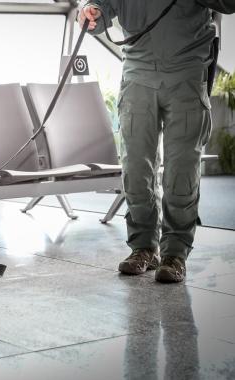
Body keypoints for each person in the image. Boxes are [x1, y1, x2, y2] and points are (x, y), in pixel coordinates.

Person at [79, 0, 235, 283]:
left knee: (182, 171)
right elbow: (98, 10)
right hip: (138, 75)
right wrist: (90, 11)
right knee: (136, 169)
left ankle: (175, 254)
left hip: (187, 75)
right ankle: (143, 248)